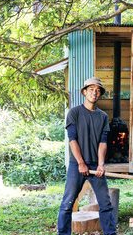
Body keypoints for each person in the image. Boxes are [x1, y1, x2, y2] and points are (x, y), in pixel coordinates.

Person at [57, 77, 116, 235]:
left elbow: (103, 142)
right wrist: (81, 163)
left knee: (105, 204)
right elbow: (72, 139)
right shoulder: (74, 113)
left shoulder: (102, 117)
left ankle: (110, 233)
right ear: (84, 92)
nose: (94, 93)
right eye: (91, 89)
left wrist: (101, 164)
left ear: (100, 94)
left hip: (95, 166)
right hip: (77, 165)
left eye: (97, 90)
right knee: (67, 203)